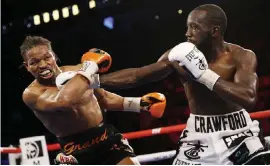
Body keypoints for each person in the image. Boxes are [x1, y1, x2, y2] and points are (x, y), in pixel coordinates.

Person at [82, 4, 270, 165]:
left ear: (214, 31)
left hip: (238, 132)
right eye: (187, 27)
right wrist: (91, 81)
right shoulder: (179, 55)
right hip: (199, 135)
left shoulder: (241, 56)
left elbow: (248, 98)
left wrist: (203, 75)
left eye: (195, 27)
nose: (187, 33)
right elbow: (138, 75)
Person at [20, 36, 167, 165]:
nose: (43, 65)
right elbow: (64, 101)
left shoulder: (79, 71)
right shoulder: (31, 94)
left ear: (54, 56)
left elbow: (103, 99)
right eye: (34, 62)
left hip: (105, 138)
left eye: (47, 57)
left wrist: (138, 104)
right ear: (27, 67)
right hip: (74, 151)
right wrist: (90, 67)